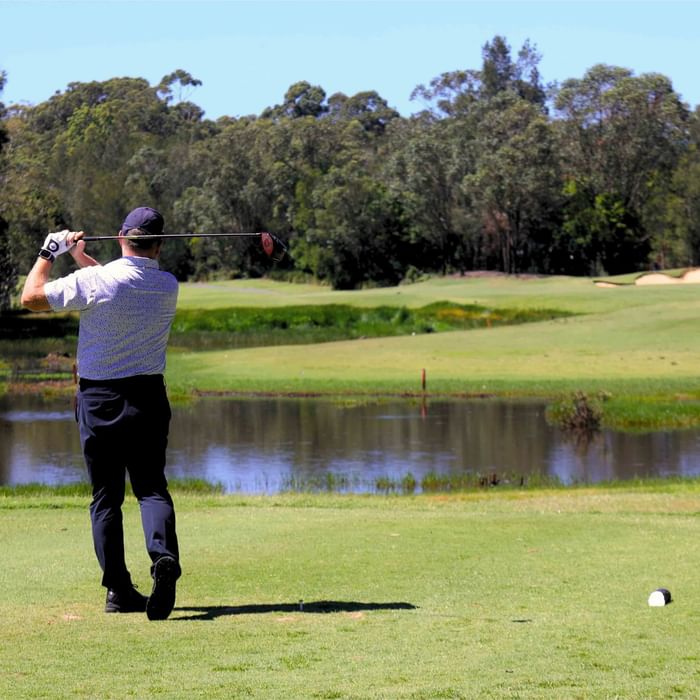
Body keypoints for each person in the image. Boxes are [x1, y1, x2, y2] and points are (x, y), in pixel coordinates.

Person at [21, 206, 181, 620]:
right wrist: (80, 257)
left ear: (121, 236)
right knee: (150, 488)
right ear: (160, 244)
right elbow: (116, 283)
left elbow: (31, 298)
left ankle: (118, 590)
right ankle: (163, 556)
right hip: (148, 397)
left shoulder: (99, 281)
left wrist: (49, 251)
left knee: (106, 497)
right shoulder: (167, 284)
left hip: (99, 400)